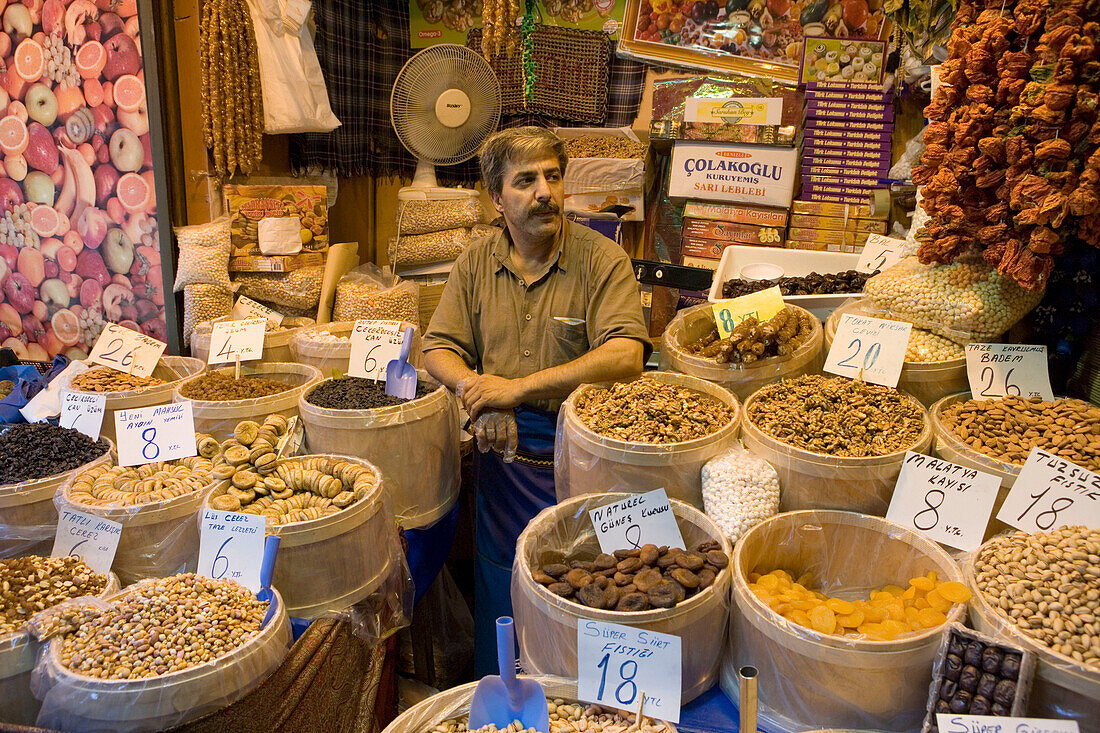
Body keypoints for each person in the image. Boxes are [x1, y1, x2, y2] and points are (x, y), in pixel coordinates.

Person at [422, 126, 651, 675]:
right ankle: (501, 694)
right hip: (504, 462)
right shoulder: (475, 264)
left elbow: (625, 357)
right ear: (496, 199)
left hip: (585, 454)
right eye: (525, 181)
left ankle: (574, 699)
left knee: (587, 586)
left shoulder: (602, 259)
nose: (545, 191)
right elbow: (438, 347)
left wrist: (517, 388)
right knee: (504, 585)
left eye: (553, 176)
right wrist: (477, 390)